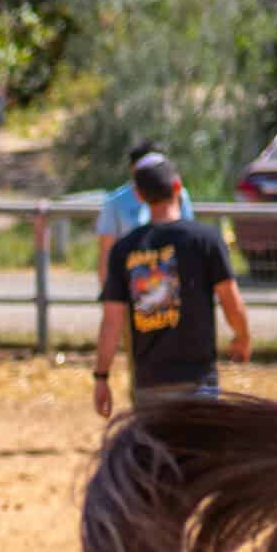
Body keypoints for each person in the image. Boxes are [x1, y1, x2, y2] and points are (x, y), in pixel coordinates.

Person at [94, 154, 249, 416]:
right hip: (198, 380)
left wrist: (101, 376)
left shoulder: (124, 249)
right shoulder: (206, 240)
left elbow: (112, 321)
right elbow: (231, 301)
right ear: (178, 187)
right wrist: (242, 337)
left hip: (150, 383)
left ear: (139, 196)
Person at [91, 139, 193, 286]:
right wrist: (108, 292)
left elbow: (189, 235)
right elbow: (106, 251)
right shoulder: (115, 202)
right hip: (134, 283)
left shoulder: (180, 195)